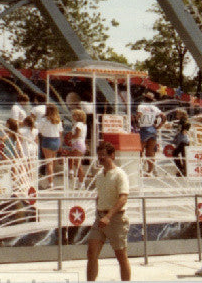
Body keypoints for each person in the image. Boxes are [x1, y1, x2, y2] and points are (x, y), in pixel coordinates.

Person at [86, 141, 131, 281]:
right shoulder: (100, 175)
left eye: (103, 156)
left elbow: (123, 198)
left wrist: (109, 217)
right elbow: (100, 195)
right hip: (100, 217)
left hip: (116, 219)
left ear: (112, 156)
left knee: (121, 256)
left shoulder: (120, 174)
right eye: (99, 155)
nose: (101, 158)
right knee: (91, 252)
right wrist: (99, 214)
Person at [135, 91, 165, 175]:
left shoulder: (141, 106)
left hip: (144, 129)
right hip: (152, 129)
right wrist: (159, 125)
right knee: (150, 152)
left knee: (140, 151)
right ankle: (150, 171)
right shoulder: (154, 108)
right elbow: (163, 116)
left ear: (144, 98)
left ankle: (139, 171)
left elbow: (138, 116)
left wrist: (137, 123)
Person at [39, 104, 63, 188]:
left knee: (48, 163)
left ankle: (50, 183)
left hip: (47, 140)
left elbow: (40, 130)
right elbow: (60, 133)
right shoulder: (58, 120)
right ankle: (51, 180)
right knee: (52, 162)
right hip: (56, 140)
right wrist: (60, 144)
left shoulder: (44, 120)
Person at [65, 108, 88, 186]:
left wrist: (70, 137)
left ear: (77, 116)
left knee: (77, 164)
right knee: (74, 161)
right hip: (79, 144)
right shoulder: (83, 125)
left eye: (74, 115)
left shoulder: (78, 124)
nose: (72, 116)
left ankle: (80, 181)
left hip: (78, 144)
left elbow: (77, 135)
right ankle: (76, 177)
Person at [170, 109, 190, 177]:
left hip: (183, 141)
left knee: (176, 154)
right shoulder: (182, 121)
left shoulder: (183, 121)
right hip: (184, 141)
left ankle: (182, 170)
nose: (176, 115)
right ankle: (184, 171)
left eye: (177, 114)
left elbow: (183, 128)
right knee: (183, 156)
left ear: (181, 114)